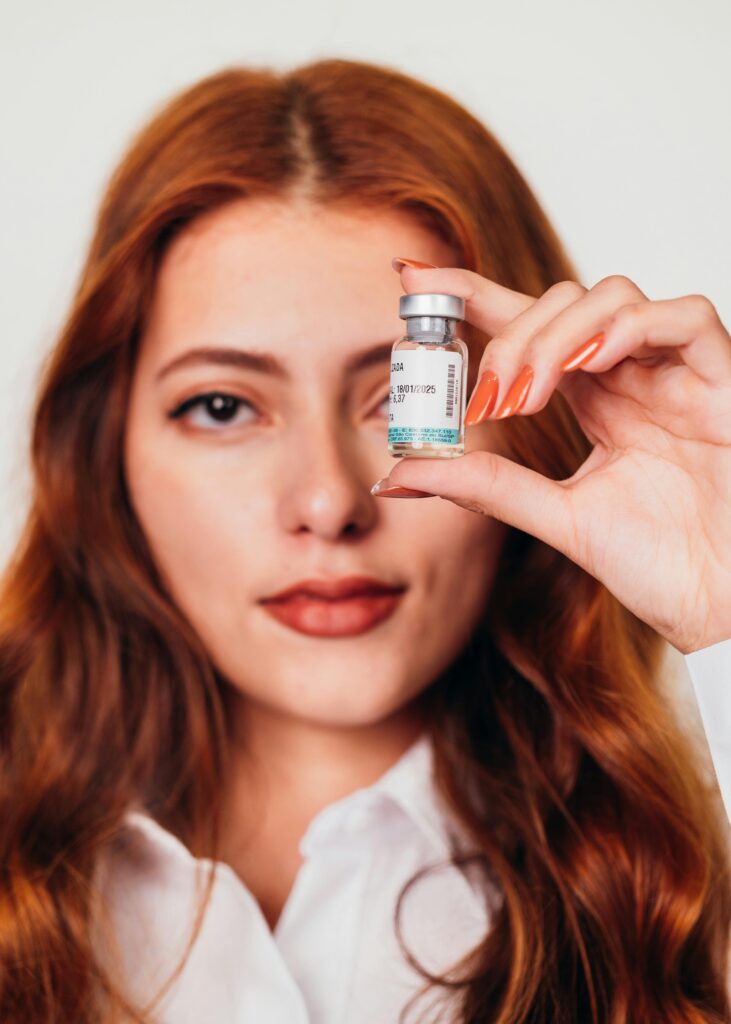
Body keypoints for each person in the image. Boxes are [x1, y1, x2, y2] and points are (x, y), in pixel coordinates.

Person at [0, 57, 729, 1024]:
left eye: (399, 398)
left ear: (538, 420)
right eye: (223, 406)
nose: (329, 502)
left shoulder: (688, 892)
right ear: (107, 450)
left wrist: (725, 602)